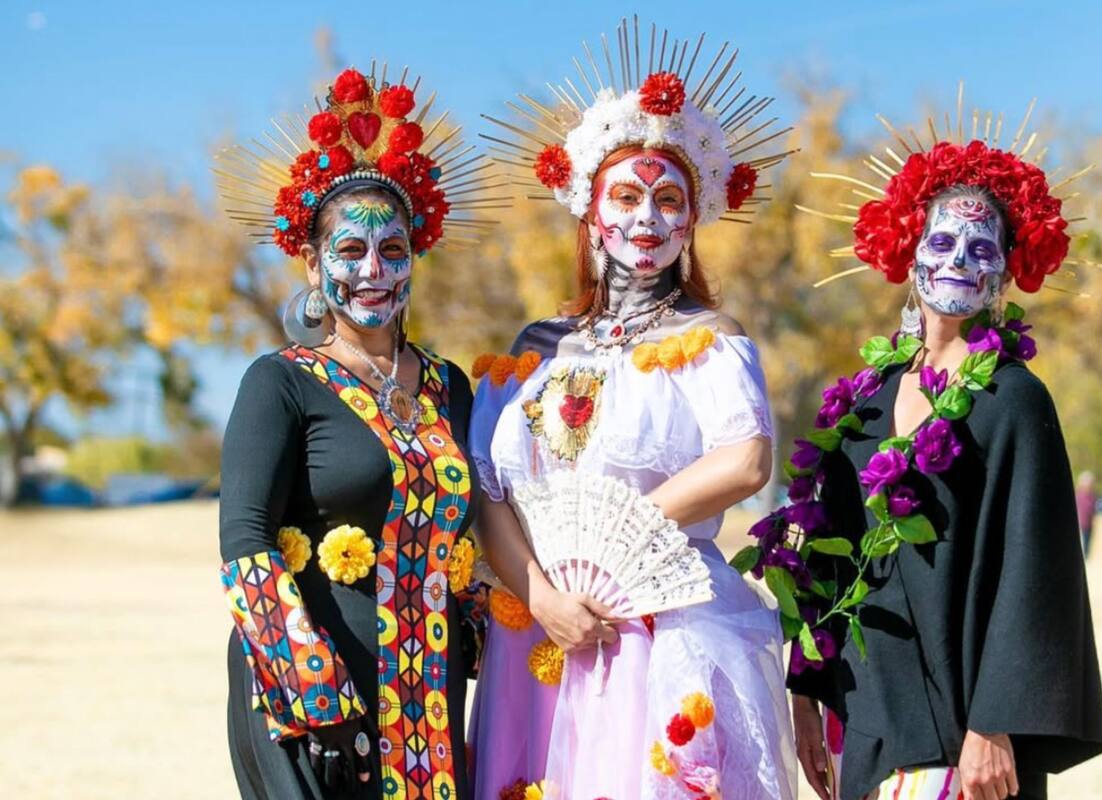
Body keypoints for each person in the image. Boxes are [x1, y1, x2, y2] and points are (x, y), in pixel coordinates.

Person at [467, 20, 799, 799]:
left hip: (649, 628)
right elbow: (490, 490)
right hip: (537, 636)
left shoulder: (709, 338)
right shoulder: (536, 349)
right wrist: (545, 598)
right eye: (626, 196)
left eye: (668, 200)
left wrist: (625, 545)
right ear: (590, 214)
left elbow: (747, 459)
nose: (647, 218)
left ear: (691, 222)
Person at [759, 91, 1102, 800]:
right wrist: (806, 695)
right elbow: (829, 556)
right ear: (910, 251)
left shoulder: (1014, 401)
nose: (958, 262)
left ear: (1005, 270)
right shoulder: (862, 405)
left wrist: (995, 724)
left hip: (965, 733)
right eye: (942, 243)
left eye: (981, 249)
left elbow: (1035, 572)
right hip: (866, 722)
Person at [214, 65, 498, 799]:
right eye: (349, 251)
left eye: (393, 251)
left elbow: (466, 536)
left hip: (430, 698)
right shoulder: (280, 382)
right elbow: (244, 542)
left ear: (414, 260)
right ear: (313, 264)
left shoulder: (449, 387)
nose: (374, 269)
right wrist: (314, 693)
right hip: (317, 704)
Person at [1076, 471, 1098, 557]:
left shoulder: (1092, 496)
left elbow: (1093, 510)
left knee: (1087, 543)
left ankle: (1086, 557)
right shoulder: (1078, 495)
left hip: (1088, 523)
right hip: (1079, 524)